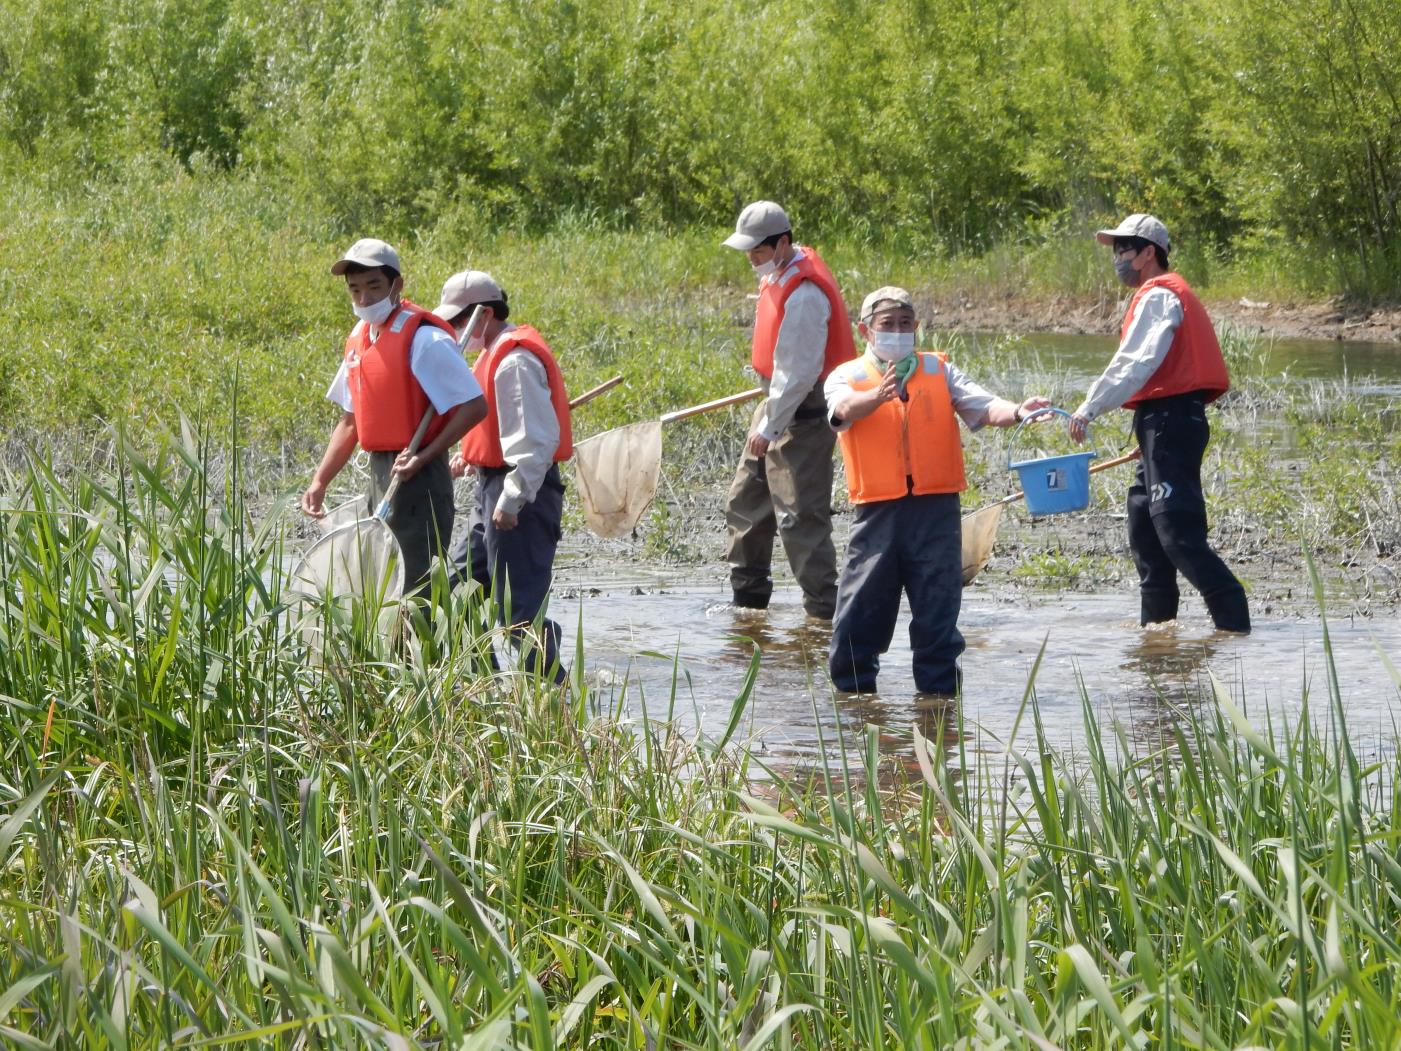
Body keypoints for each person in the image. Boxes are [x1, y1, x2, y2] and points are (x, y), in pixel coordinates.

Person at [825, 287, 1050, 696]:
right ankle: (854, 711)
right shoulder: (847, 376)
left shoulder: (939, 370)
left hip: (936, 513)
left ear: (916, 328)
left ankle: (939, 716)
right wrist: (877, 396)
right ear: (866, 331)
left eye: (905, 324)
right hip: (878, 515)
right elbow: (842, 409)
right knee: (857, 619)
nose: (897, 331)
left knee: (938, 622)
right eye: (887, 325)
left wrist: (1019, 411)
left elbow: (984, 407)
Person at [1068, 214, 1250, 633]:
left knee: (1177, 534)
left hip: (1172, 420)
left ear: (1149, 252)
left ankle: (1233, 621)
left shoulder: (1159, 295)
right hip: (1162, 423)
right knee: (1146, 533)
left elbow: (1137, 361)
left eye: (1123, 248)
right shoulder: (1156, 295)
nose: (1117, 258)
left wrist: (1089, 407)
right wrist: (1145, 439)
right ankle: (1159, 641)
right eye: (1114, 250)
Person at [301, 238, 486, 596]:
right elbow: (350, 421)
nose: (364, 299)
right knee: (381, 579)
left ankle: (426, 650)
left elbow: (474, 405)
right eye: (355, 290)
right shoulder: (359, 339)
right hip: (379, 472)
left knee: (415, 587)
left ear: (396, 285)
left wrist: (425, 456)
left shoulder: (426, 339)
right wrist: (320, 481)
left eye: (374, 287)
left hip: (419, 476)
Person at [433, 270, 573, 683]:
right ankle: (484, 687)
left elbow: (534, 442)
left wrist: (512, 499)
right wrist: (471, 457)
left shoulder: (514, 360)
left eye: (459, 322)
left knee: (518, 614)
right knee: (455, 590)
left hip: (521, 495)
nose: (456, 331)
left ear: (485, 314)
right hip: (492, 486)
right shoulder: (491, 351)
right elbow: (501, 426)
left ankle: (554, 696)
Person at [721, 200, 855, 620]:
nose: (750, 259)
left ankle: (823, 617)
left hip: (806, 418)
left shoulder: (806, 294)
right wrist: (767, 417)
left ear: (781, 244)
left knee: (801, 522)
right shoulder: (777, 274)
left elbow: (798, 375)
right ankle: (748, 605)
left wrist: (770, 426)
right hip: (775, 409)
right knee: (745, 504)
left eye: (757, 251)